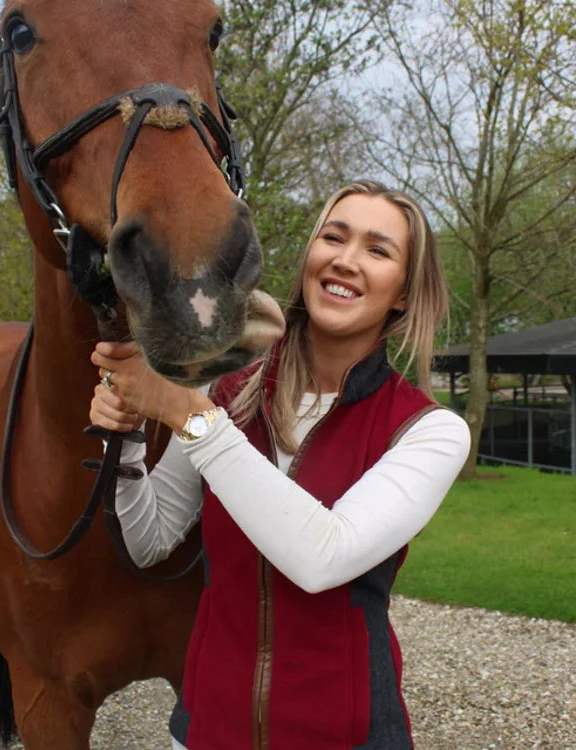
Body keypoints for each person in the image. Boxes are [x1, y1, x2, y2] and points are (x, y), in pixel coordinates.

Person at [89, 180, 470, 750]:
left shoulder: (429, 431)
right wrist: (125, 437)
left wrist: (188, 415)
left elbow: (323, 557)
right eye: (333, 237)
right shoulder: (228, 389)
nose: (345, 259)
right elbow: (150, 539)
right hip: (204, 731)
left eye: (377, 249)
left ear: (403, 294)